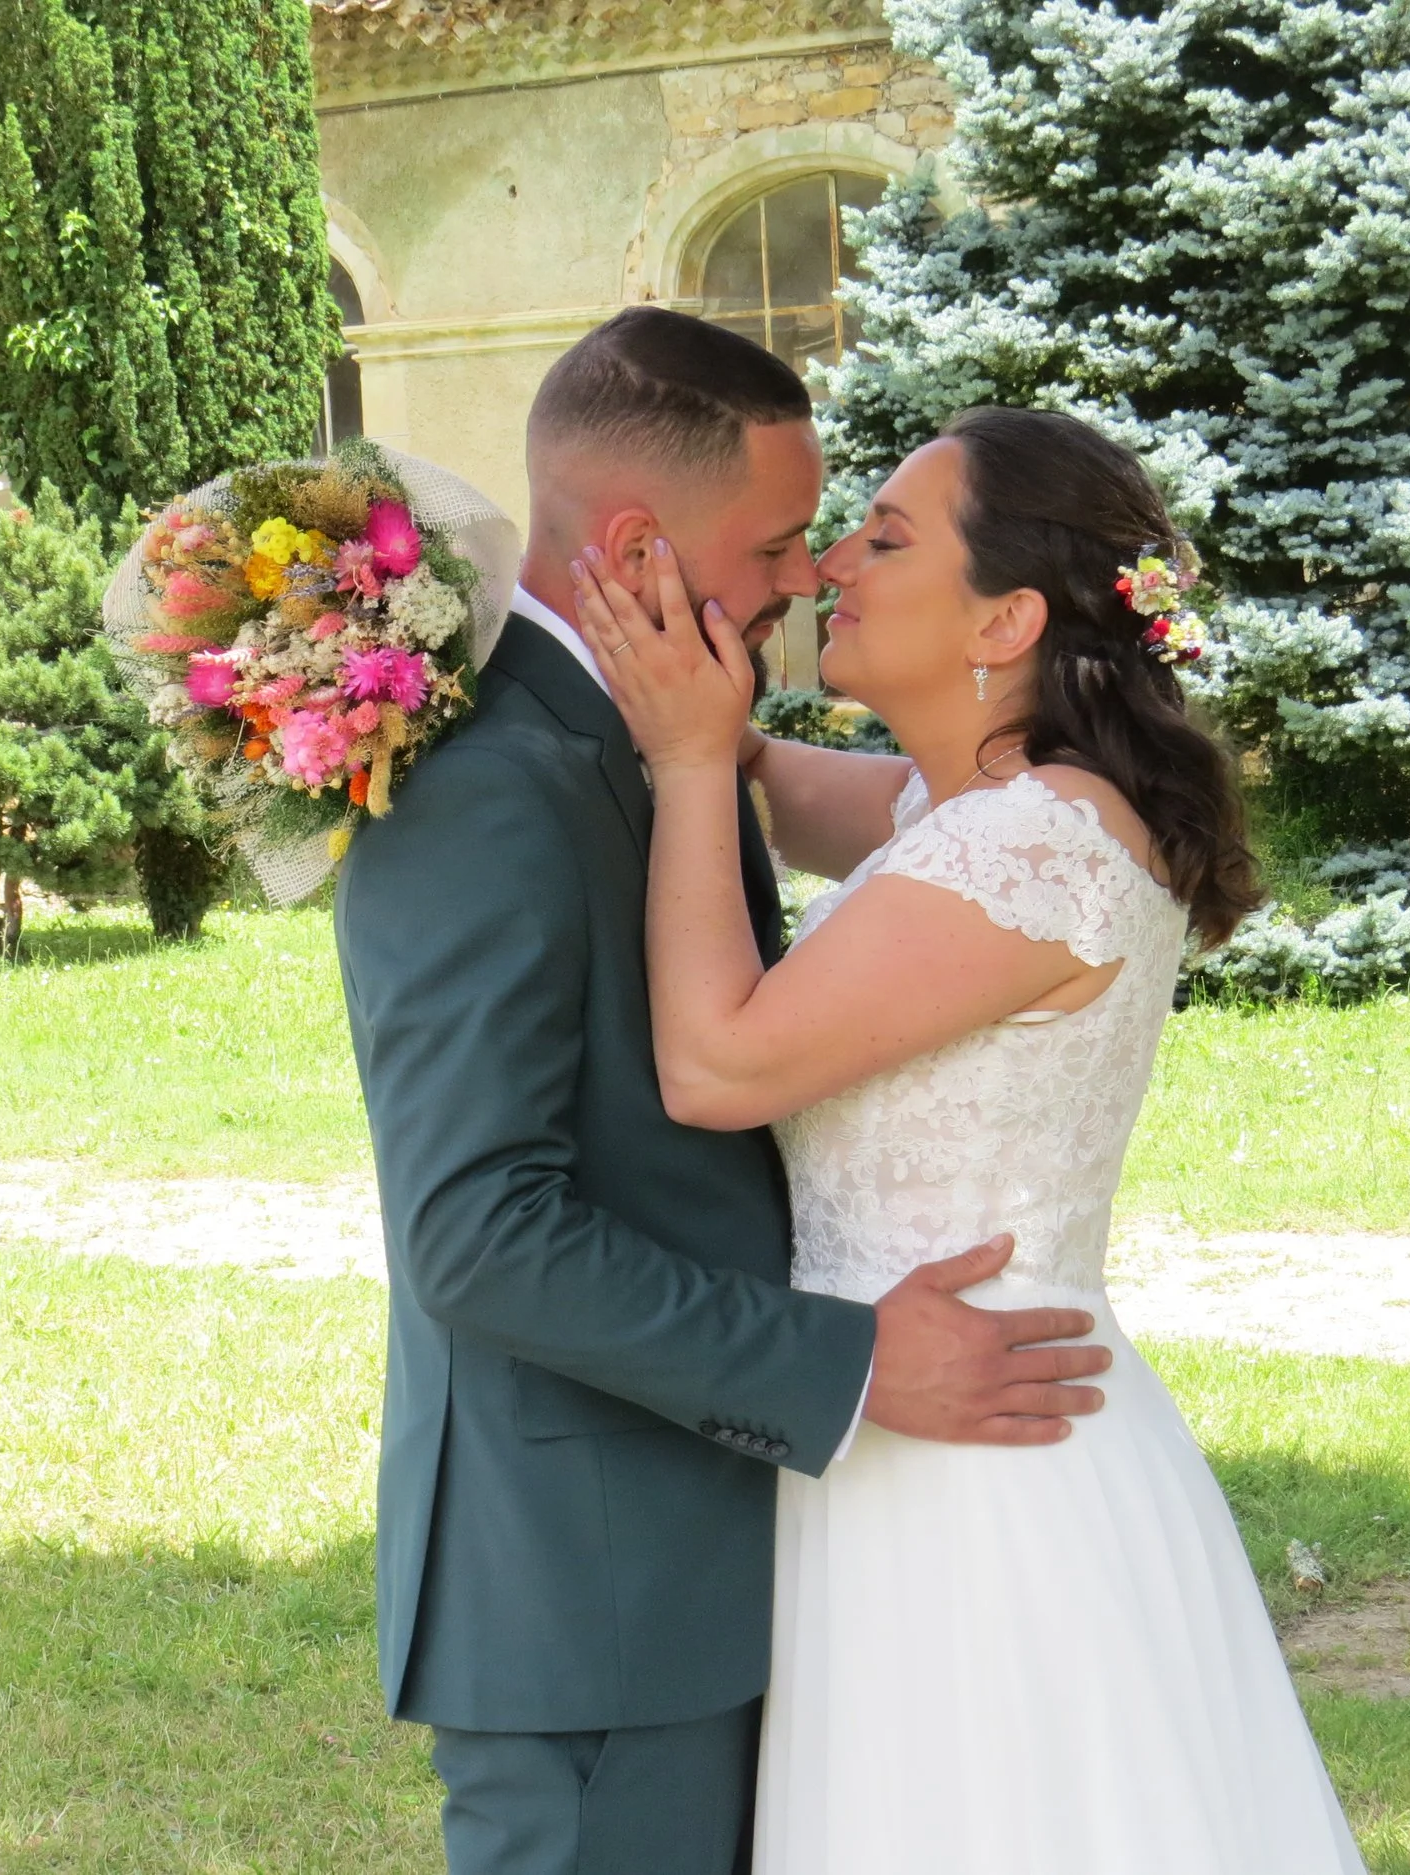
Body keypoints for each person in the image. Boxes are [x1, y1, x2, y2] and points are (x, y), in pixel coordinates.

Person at [333, 306, 1119, 1875]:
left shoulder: (659, 735)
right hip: (595, 1595)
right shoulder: (486, 785)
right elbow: (477, 1234)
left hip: (734, 1551)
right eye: (774, 542)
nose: (805, 575)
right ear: (638, 546)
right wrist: (845, 1365)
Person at [564, 403, 1366, 1872]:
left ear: (1004, 619)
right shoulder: (976, 806)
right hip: (933, 1414)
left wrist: (684, 764)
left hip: (977, 1462)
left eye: (883, 541)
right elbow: (800, 791)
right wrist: (706, 716)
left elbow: (718, 1065)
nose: (830, 569)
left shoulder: (1033, 844)